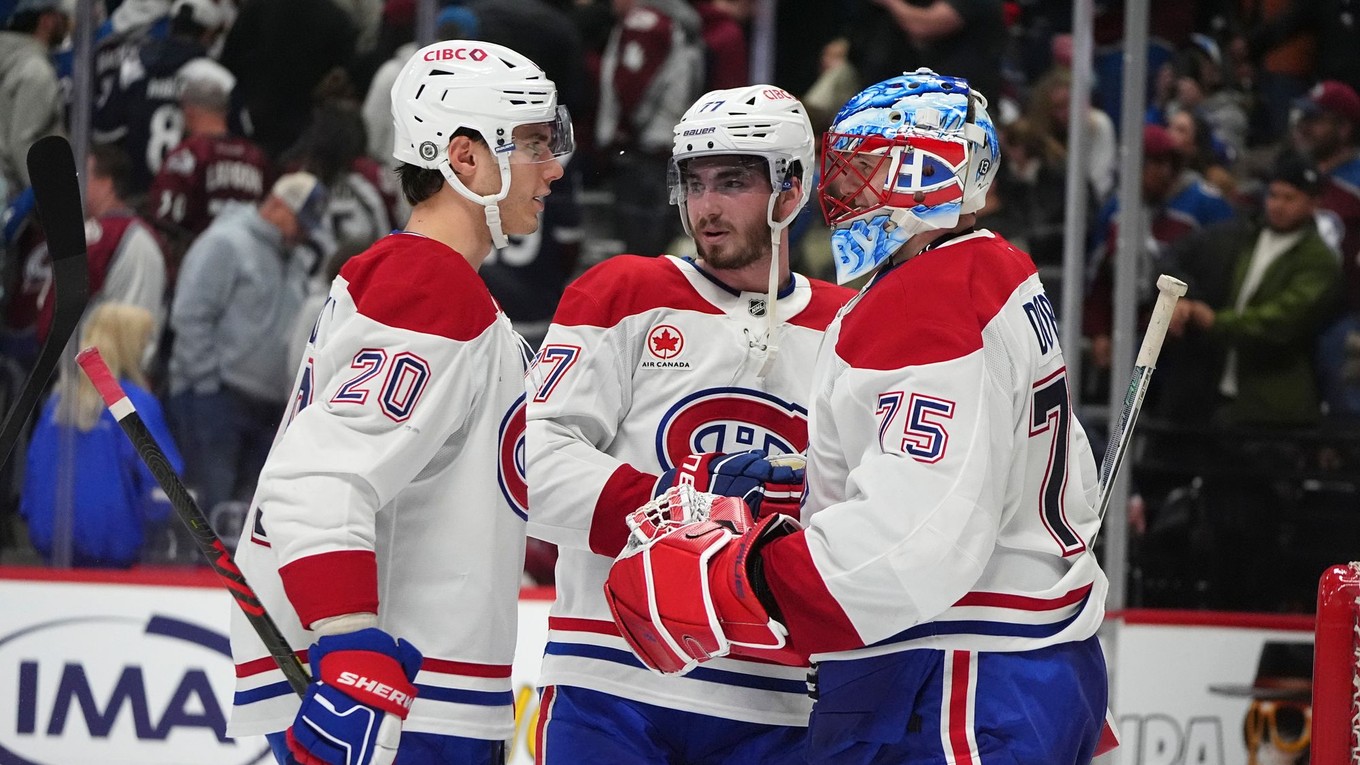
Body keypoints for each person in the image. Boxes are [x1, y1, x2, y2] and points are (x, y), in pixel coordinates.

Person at [603, 69, 1114, 764]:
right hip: (1022, 665)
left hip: (956, 679)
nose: (840, 186)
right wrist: (801, 488)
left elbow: (913, 538)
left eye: (865, 163)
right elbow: (976, 471)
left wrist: (747, 573)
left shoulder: (927, 299)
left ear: (930, 170)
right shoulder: (994, 270)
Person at [225, 40, 572, 765]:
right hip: (398, 707)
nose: (556, 166)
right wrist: (348, 639)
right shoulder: (428, 285)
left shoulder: (445, 292)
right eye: (536, 143)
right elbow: (318, 478)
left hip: (414, 697)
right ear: (466, 158)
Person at [526, 83, 853, 764]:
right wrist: (676, 510)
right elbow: (531, 463)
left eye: (732, 181)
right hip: (612, 684)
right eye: (694, 182)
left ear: (791, 187)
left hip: (778, 703)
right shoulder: (622, 293)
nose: (705, 206)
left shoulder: (851, 328)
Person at [167, 171, 326, 519]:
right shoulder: (226, 243)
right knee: (212, 511)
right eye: (299, 221)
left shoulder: (295, 258)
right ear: (279, 207)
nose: (302, 233)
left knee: (249, 514)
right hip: (218, 399)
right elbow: (191, 315)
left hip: (267, 406)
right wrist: (208, 385)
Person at [20, 303, 181, 567]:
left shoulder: (58, 403)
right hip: (115, 554)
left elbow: (33, 479)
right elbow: (165, 487)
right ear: (132, 344)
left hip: (50, 546)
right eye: (145, 339)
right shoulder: (134, 404)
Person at [0, 0, 69, 202]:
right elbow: (23, 143)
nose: (67, 23)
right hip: (11, 192)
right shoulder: (36, 70)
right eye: (62, 17)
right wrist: (46, 203)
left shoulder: (9, 58)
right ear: (47, 21)